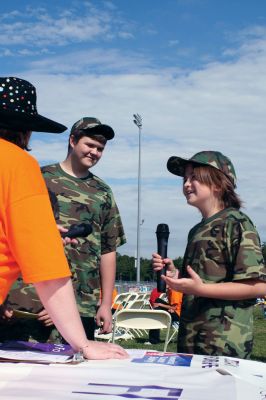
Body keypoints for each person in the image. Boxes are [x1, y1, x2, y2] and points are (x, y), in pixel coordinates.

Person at [0, 76, 128, 360]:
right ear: (26, 130)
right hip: (31, 304)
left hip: (79, 300)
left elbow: (109, 247)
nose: (95, 151)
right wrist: (83, 345)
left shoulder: (103, 192)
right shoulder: (20, 166)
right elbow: (46, 270)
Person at [152, 150, 266, 359]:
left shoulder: (237, 223)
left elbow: (259, 286)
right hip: (192, 340)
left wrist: (202, 289)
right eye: (185, 178)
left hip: (224, 344)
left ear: (218, 183)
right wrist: (176, 276)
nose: (186, 184)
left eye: (194, 177)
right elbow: (201, 280)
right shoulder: (196, 230)